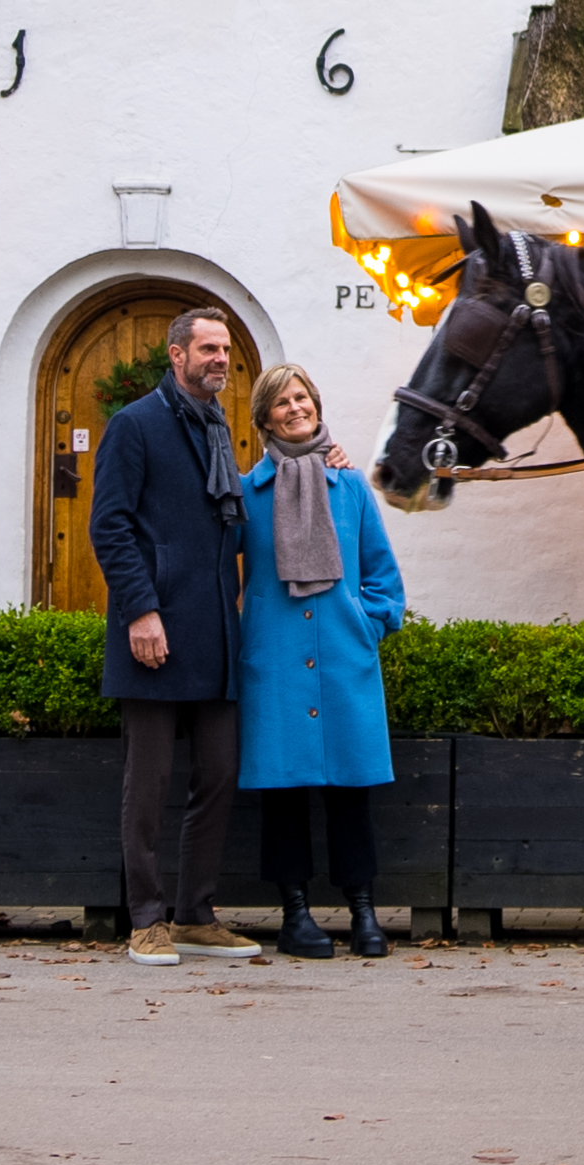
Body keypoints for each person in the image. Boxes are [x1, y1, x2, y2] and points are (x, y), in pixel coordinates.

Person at [93, 304, 258, 966]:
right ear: (177, 355)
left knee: (219, 775)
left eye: (226, 351)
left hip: (216, 632)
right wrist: (139, 609)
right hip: (154, 633)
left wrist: (325, 458)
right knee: (150, 782)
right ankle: (145, 920)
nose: (220, 359)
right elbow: (110, 524)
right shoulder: (135, 426)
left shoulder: (217, 427)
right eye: (208, 349)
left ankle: (194, 914)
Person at [234, 362, 410, 959]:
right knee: (284, 793)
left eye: (302, 397)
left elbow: (382, 569)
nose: (295, 408)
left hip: (342, 652)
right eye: (282, 402)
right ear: (264, 418)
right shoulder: (246, 493)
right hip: (276, 657)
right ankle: (296, 915)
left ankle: (364, 912)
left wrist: (369, 620)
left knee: (350, 788)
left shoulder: (350, 484)